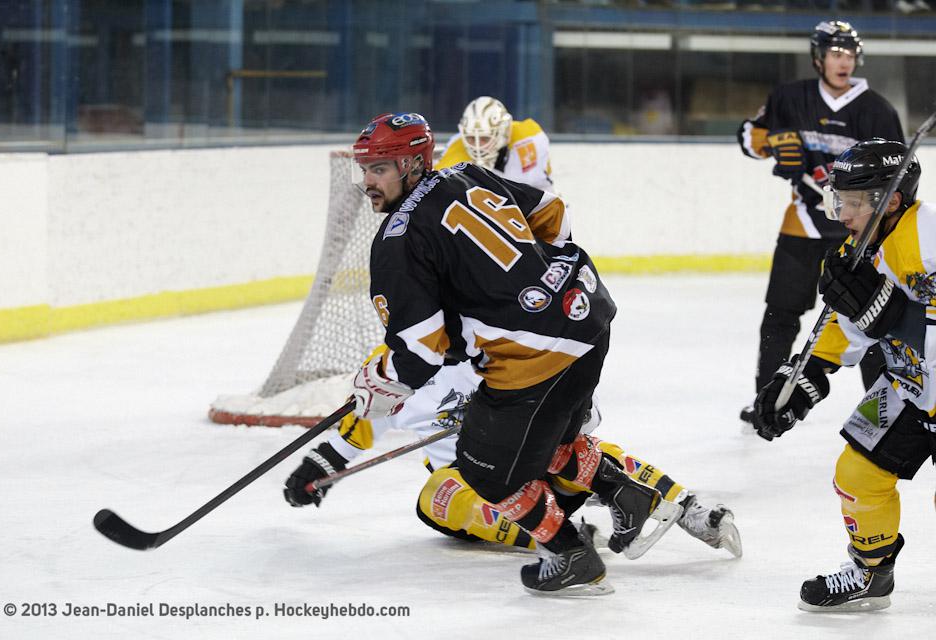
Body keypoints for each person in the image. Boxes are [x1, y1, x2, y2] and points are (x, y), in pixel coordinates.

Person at [309, 110, 721, 596]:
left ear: (413, 164)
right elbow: (552, 212)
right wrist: (535, 281)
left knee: (485, 472)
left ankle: (571, 556)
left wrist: (379, 381)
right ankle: (625, 494)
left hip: (535, 354)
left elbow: (420, 352)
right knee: (553, 446)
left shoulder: (397, 241)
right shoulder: (467, 174)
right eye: (365, 170)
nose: (368, 182)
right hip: (587, 314)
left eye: (379, 169)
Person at [283, 358, 742, 558]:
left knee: (595, 454)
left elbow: (585, 420)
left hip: (541, 459)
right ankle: (563, 538)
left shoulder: (499, 342)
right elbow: (362, 424)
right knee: (436, 497)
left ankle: (687, 509)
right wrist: (322, 467)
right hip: (478, 481)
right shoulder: (397, 365)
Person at [753, 139, 931, 612]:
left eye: (853, 203)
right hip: (912, 388)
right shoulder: (859, 251)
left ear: (889, 202)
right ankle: (872, 573)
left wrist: (898, 316)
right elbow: (842, 327)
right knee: (857, 474)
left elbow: (895, 315)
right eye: (841, 201)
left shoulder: (929, 237)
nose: (843, 214)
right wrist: (800, 382)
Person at [737, 20, 904, 426]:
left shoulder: (877, 110)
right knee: (780, 314)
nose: (843, 61)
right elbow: (747, 136)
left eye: (848, 53)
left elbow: (899, 170)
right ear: (818, 58)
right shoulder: (789, 98)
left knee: (870, 320)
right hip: (803, 223)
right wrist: (770, 143)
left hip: (861, 233)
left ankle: (885, 408)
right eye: (835, 53)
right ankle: (768, 397)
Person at [438, 96, 555, 193]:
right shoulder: (454, 152)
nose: (477, 146)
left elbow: (543, 189)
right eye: (471, 138)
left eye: (484, 138)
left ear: (503, 133)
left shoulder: (529, 138)